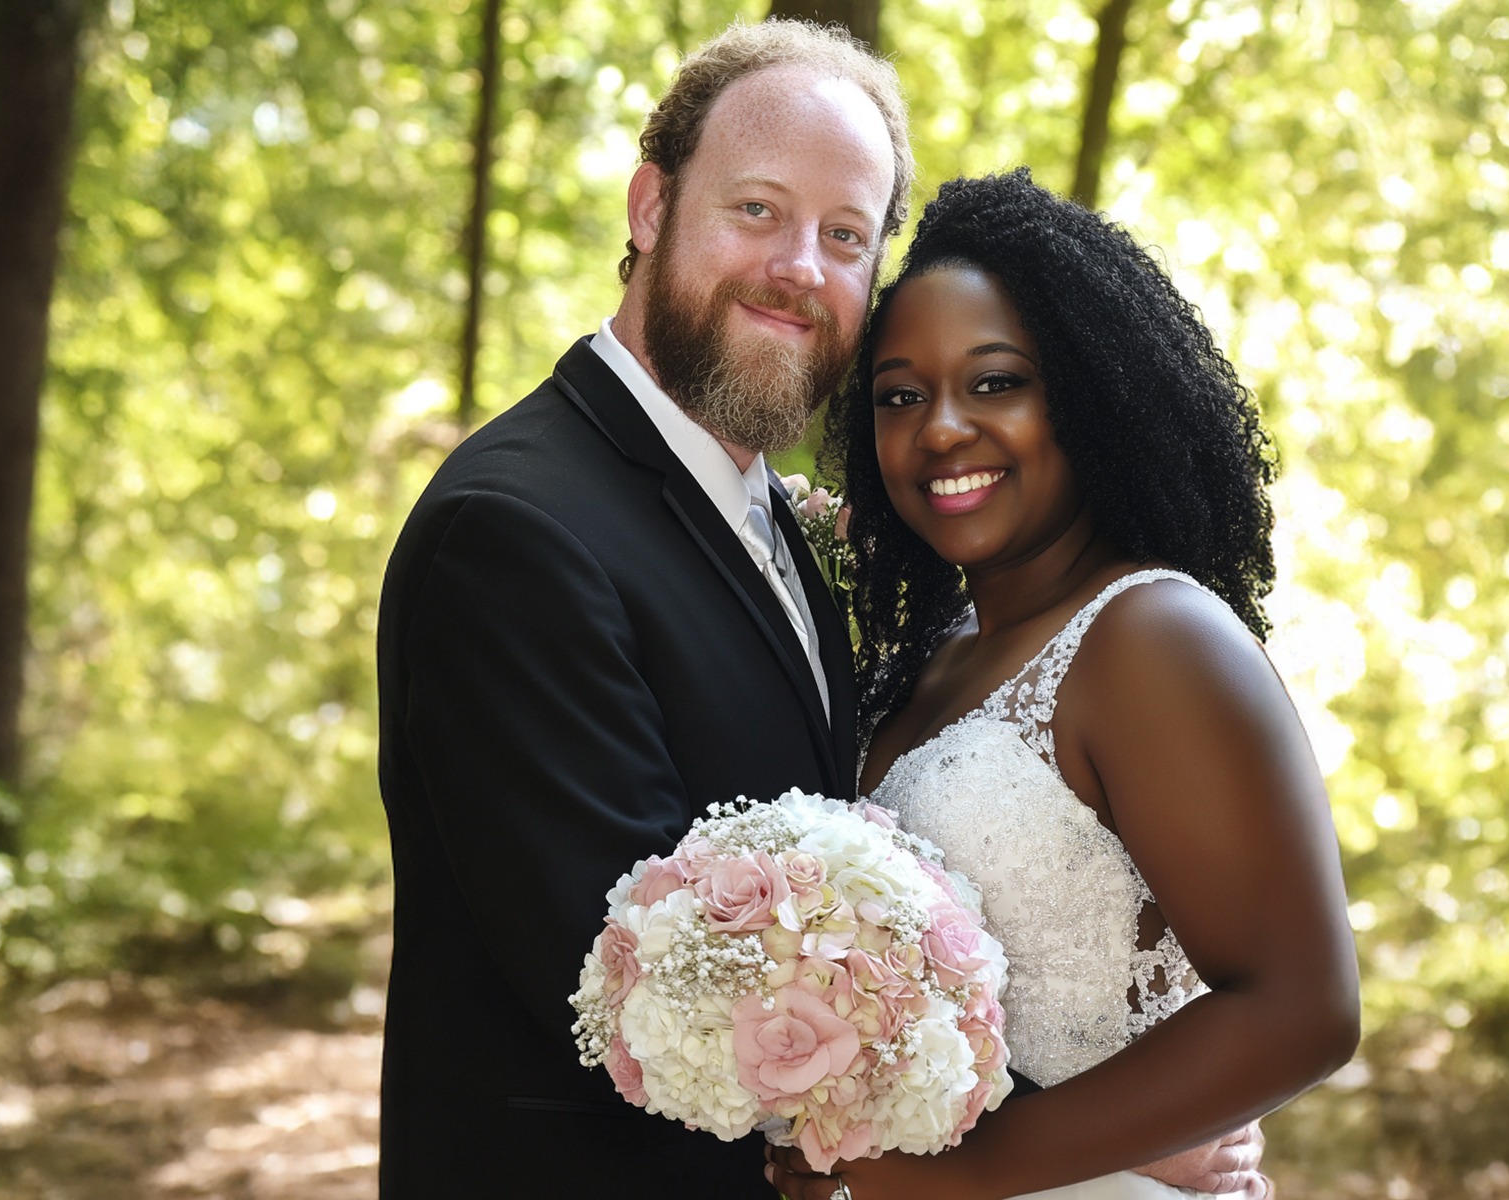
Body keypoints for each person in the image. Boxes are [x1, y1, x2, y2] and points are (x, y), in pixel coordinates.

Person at [373, 24, 1263, 1199]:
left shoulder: (778, 523)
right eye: (757, 209)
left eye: (846, 235)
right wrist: (1097, 1126)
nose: (800, 266)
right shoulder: (517, 529)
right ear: (651, 207)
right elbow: (640, 979)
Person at [765, 171, 1360, 1200]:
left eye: (996, 383)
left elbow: (1300, 1012)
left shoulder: (1153, 637)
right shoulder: (932, 656)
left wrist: (955, 1174)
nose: (940, 429)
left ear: (1088, 400)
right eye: (901, 396)